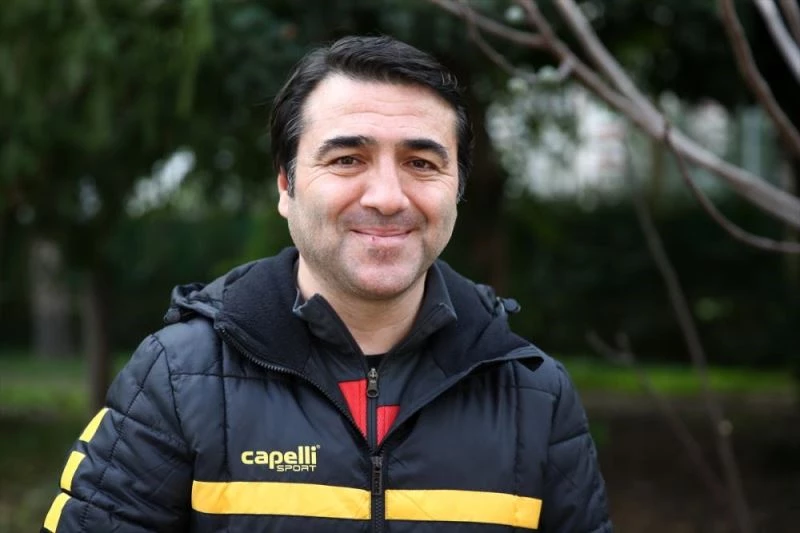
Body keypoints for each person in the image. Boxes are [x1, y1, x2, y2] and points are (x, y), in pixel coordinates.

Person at [43, 35, 611, 532]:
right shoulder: (177, 379)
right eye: (347, 159)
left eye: (420, 163)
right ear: (286, 186)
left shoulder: (535, 396)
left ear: (456, 189)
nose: (386, 197)